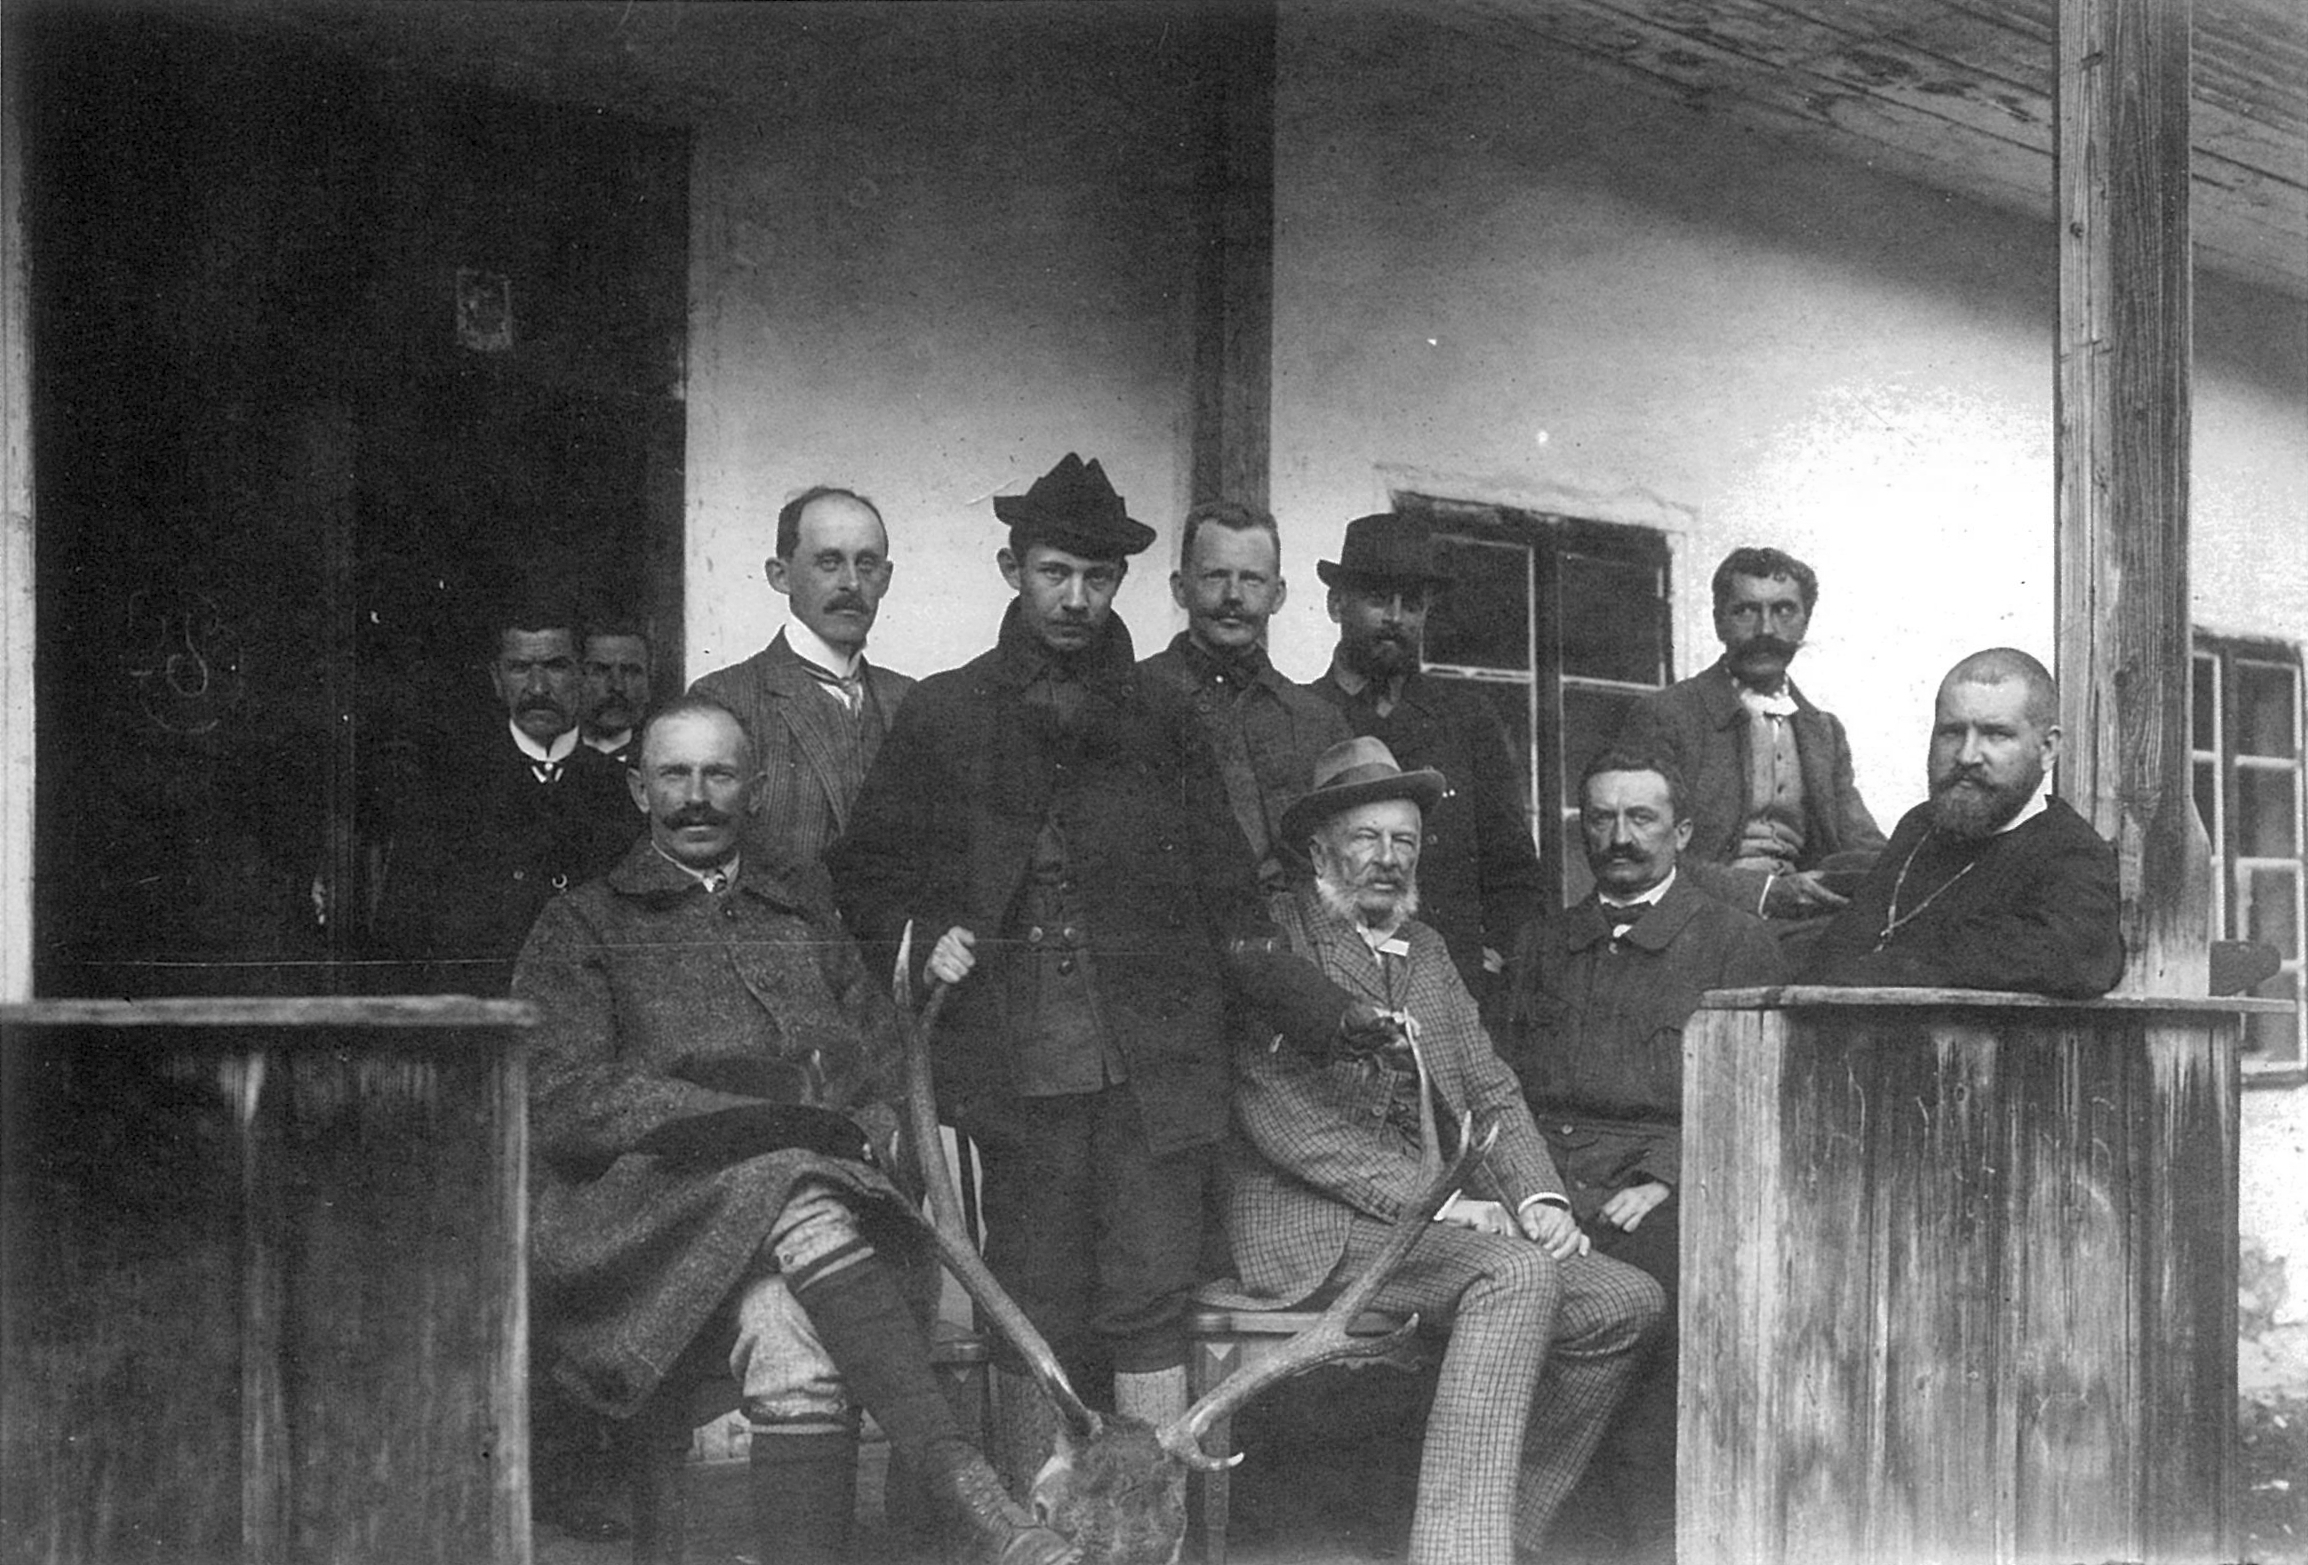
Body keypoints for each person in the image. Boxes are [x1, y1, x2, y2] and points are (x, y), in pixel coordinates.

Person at [827, 452, 1374, 1481]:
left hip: (1155, 1076)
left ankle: (1153, 1525)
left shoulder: (1165, 716)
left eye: (1095, 575)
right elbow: (864, 872)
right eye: (1052, 572)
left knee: (1149, 1299)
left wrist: (1332, 1014)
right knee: (1035, 1294)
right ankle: (1045, 1534)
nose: (1075, 597)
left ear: (1121, 581)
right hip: (1016, 1073)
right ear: (1012, 568)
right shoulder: (945, 713)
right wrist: (921, 933)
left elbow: (1229, 899)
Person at [512, 697, 1076, 1565]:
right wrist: (734, 1122)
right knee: (792, 1178)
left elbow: (883, 1064)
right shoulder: (585, 926)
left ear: (758, 788)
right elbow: (559, 1096)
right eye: (674, 774)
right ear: (637, 788)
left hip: (817, 1249)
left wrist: (867, 1127)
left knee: (791, 1340)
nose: (696, 796)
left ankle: (944, 1506)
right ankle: (969, 1489)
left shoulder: (801, 913)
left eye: (720, 774)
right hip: (643, 1238)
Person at [1222, 735, 1665, 1565]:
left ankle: (1505, 1532)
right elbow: (1289, 1123)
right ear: (1319, 848)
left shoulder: (1426, 951)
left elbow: (1489, 1084)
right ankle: (1458, 1554)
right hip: (1310, 1224)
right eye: (1367, 839)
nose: (1388, 860)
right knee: (1513, 1272)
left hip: (1425, 1221)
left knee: (1622, 1301)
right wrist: (1446, 1203)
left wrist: (1541, 1199)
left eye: (1406, 842)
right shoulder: (1275, 947)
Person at [1496, 749, 1785, 1563]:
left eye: (1641, 818)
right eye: (1601, 818)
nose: (1618, 838)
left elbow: (1760, 1093)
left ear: (1682, 831)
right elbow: (1499, 1087)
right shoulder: (1543, 943)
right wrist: (1529, 1192)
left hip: (1666, 1190)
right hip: (1544, 1190)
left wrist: (1671, 1171)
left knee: (1651, 1313)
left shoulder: (1736, 942)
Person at [1308, 511, 1544, 994]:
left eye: (1411, 604)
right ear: (1336, 604)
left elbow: (1514, 867)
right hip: (1334, 986)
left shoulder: (1467, 718)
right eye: (1377, 600)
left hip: (1451, 984)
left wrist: (1497, 955)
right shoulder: (1301, 716)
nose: (1395, 618)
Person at [1802, 647, 2124, 996]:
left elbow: (2076, 961)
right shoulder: (1920, 826)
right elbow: (1835, 953)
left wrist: (1890, 966)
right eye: (1952, 732)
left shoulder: (2071, 852)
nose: (1967, 756)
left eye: (1996, 734)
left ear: (2047, 749)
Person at [1615, 546, 1886, 938]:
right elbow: (1645, 851)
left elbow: (1863, 844)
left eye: (1784, 611)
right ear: (1718, 621)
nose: (1766, 630)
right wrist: (1764, 893)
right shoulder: (1667, 717)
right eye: (1745, 610)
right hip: (1695, 926)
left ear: (1805, 621)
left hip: (1799, 924)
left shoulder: (1822, 731)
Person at [371, 594, 635, 994]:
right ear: (496, 680)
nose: (537, 687)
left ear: (583, 675)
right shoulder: (445, 796)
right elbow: (400, 949)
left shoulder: (623, 794)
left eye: (555, 666)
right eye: (519, 668)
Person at [690, 485, 915, 875]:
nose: (852, 584)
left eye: (866, 564)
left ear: (886, 578)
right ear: (780, 575)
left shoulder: (911, 700)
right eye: (829, 562)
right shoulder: (723, 700)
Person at [1139, 499, 1351, 890]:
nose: (1234, 595)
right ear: (1180, 588)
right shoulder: (1130, 701)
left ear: (1278, 594)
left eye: (1253, 579)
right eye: (1215, 576)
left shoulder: (1318, 722)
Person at [579, 615, 655, 768]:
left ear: (648, 685)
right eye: (600, 671)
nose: (617, 686)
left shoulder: (662, 758)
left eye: (631, 672)